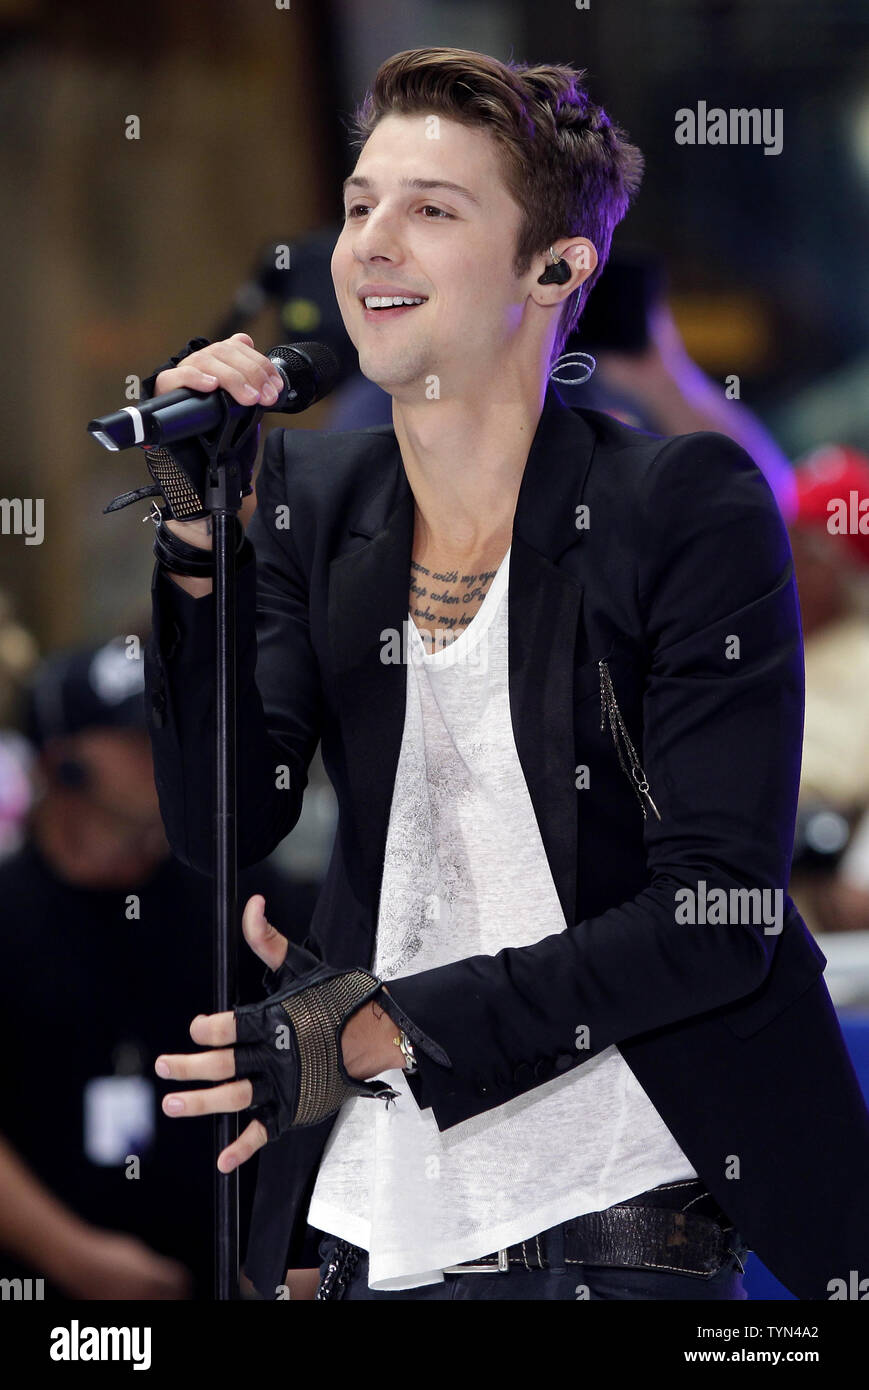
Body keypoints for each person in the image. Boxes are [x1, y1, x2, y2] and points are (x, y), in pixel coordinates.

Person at [136, 47, 869, 1301]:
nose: (371, 240)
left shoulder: (674, 503)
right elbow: (226, 820)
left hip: (608, 1208)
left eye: (431, 208)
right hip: (374, 1213)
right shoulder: (318, 502)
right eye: (362, 203)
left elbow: (715, 914)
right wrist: (200, 555)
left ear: (555, 265)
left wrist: (380, 1021)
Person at [0, 637, 319, 1298]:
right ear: (65, 764)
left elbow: (329, 1045)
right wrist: (73, 1256)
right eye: (137, 731)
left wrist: (291, 1250)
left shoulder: (242, 895)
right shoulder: (12, 911)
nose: (167, 747)